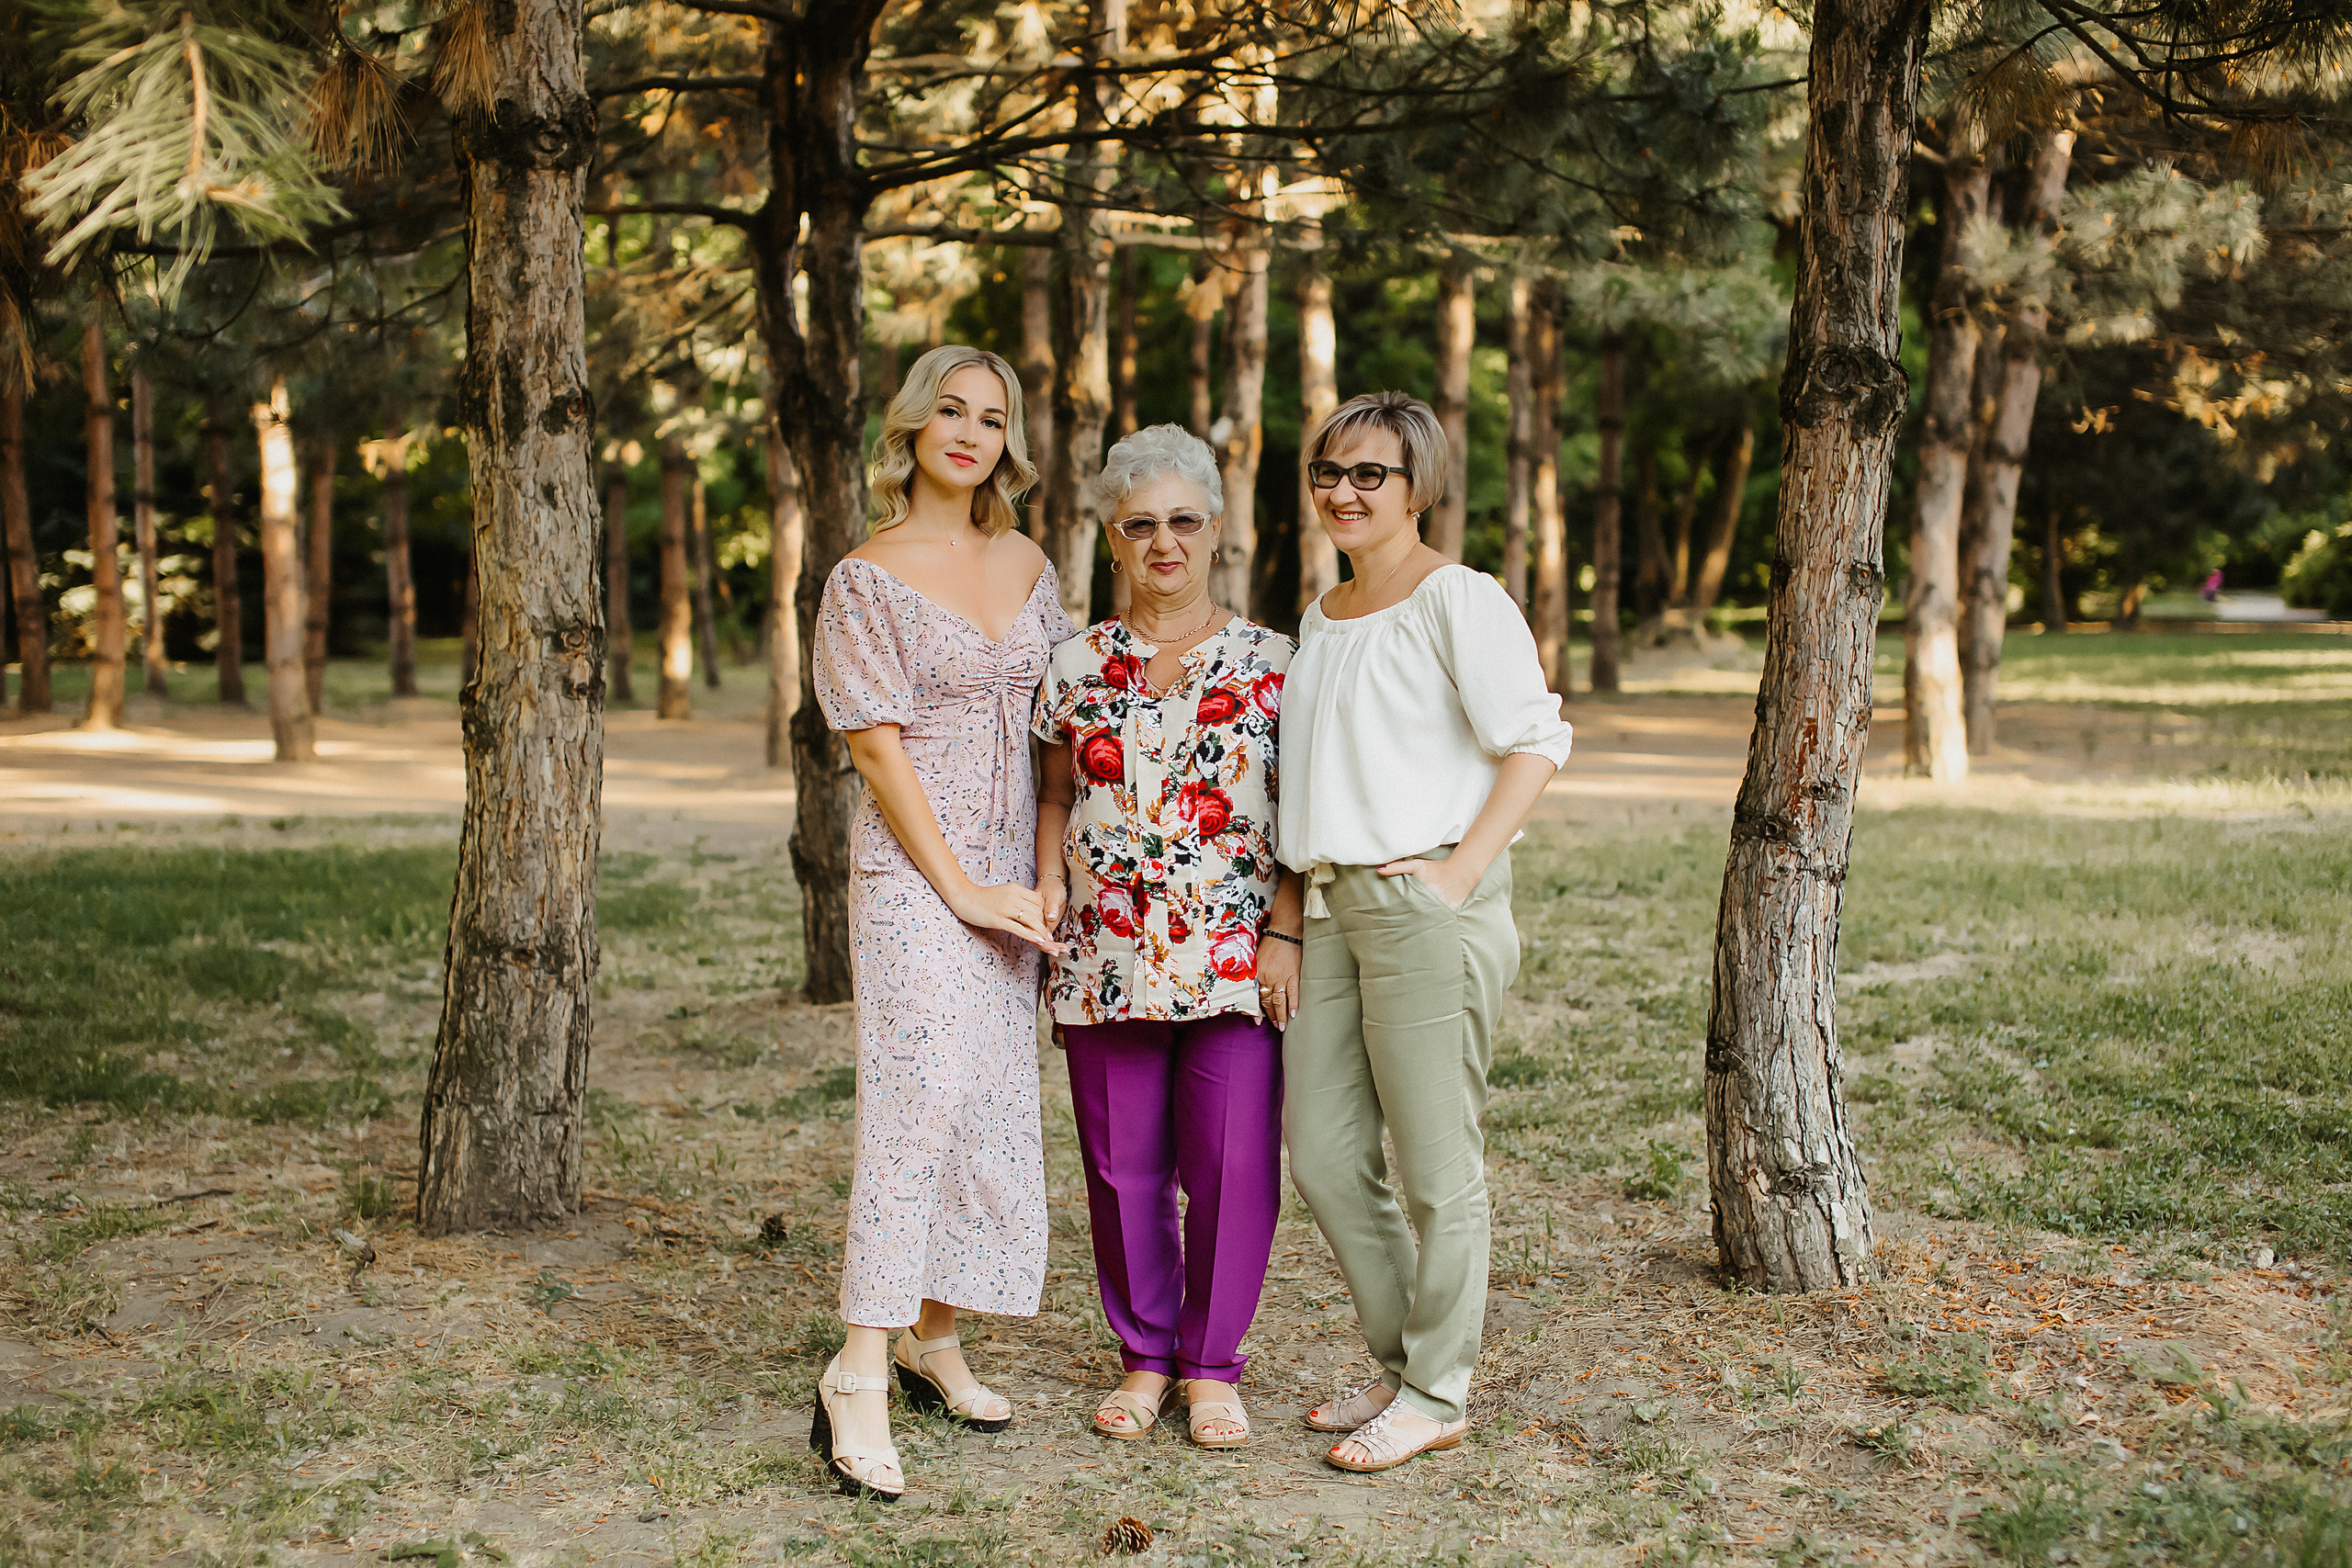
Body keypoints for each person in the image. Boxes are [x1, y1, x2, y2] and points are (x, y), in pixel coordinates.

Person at [1278, 391, 1574, 1473]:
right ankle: (1403, 1359)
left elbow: (1535, 743)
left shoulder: (1460, 597)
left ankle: (1437, 1389)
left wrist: (1454, 876)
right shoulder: (1322, 611)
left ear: (1419, 488)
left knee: (1437, 1170)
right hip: (1328, 906)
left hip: (1421, 908)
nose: (1344, 492)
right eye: (1329, 471)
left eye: (1371, 475)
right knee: (1320, 1153)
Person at [808, 344, 1073, 1501]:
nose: (969, 430)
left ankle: (934, 1333)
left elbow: (1060, 721)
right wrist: (959, 885)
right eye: (949, 410)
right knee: (914, 1107)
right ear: (913, 427)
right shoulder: (865, 577)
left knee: (985, 1108)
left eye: (992, 416)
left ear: (1008, 440)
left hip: (1014, 874)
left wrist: (1044, 870)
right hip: (919, 875)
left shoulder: (1026, 558)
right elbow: (875, 749)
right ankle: (858, 1368)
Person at [1033, 424, 1303, 1450]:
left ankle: (1211, 1367)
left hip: (1235, 957)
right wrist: (1050, 877)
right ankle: (1145, 1356)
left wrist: (1285, 930)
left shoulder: (1275, 663)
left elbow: (1299, 814)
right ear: (1112, 535)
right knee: (1121, 1168)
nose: (1163, 543)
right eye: (1140, 524)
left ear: (1216, 529)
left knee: (1230, 1167)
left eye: (1182, 521)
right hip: (1104, 951)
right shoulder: (1074, 663)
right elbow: (1055, 793)